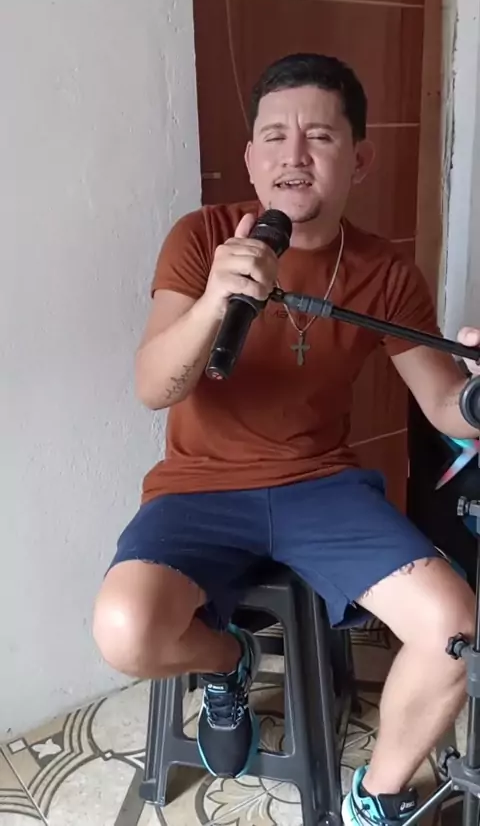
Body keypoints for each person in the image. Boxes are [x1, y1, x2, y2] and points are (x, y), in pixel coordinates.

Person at [93, 53, 480, 826]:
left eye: (320, 136)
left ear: (359, 158)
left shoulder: (384, 270)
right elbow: (153, 386)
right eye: (274, 136)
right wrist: (214, 301)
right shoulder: (202, 237)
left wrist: (475, 389)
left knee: (454, 627)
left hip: (322, 486)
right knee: (125, 631)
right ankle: (230, 659)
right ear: (251, 158)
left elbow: (445, 404)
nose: (293, 155)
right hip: (199, 485)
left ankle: (377, 797)